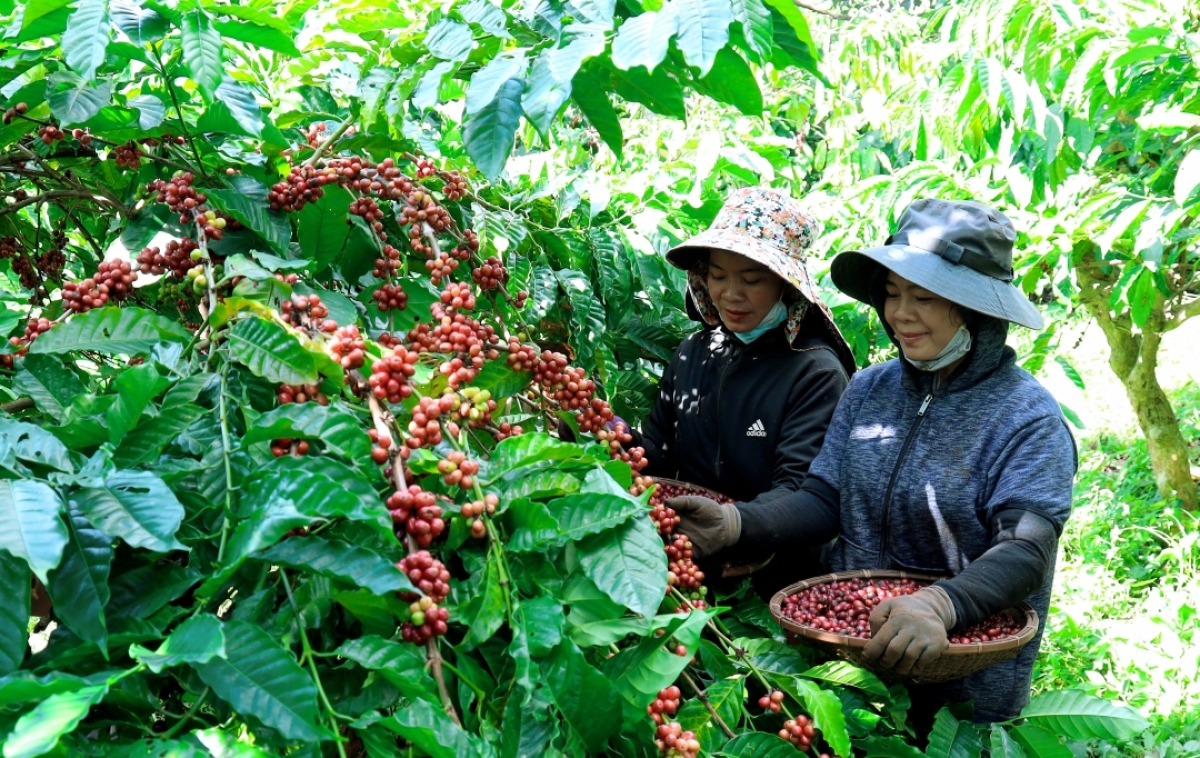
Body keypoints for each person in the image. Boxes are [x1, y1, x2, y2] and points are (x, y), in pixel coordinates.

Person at [669, 199, 1077, 724]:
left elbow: (1026, 548)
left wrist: (941, 605)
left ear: (977, 309)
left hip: (962, 679)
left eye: (924, 298)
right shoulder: (870, 390)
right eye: (892, 295)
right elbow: (823, 499)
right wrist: (737, 523)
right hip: (852, 663)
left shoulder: (1024, 417)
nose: (900, 315)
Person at [633, 187, 857, 592]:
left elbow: (803, 494)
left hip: (777, 582)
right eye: (717, 276)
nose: (730, 294)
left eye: (751, 280)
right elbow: (657, 455)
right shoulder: (695, 352)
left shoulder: (814, 372)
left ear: (786, 286)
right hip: (685, 560)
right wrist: (609, 438)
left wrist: (734, 527)